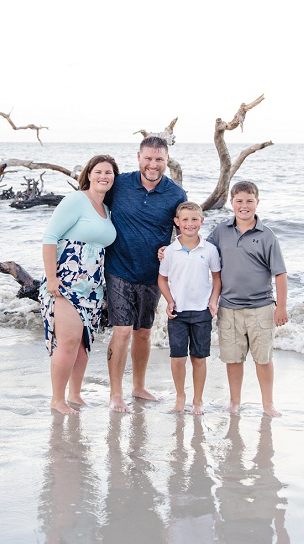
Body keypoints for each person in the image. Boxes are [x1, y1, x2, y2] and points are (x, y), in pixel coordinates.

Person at [105, 136, 187, 412]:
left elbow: (182, 235)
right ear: (138, 157)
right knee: (123, 331)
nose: (153, 164)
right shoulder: (119, 184)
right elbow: (92, 204)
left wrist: (172, 249)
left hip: (152, 274)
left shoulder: (176, 194)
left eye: (159, 159)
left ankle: (138, 387)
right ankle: (115, 393)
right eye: (148, 158)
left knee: (143, 333)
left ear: (167, 161)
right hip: (118, 268)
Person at [40, 154, 119, 415]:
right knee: (69, 340)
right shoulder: (76, 200)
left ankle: (74, 395)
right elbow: (50, 237)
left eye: (109, 172)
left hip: (93, 286)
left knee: (83, 344)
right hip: (66, 280)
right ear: (88, 174)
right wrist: (52, 278)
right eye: (98, 171)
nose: (103, 176)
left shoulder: (107, 210)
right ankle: (57, 399)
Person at [208, 181, 288, 417]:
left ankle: (268, 404)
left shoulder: (267, 236)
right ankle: (234, 402)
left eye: (249, 201)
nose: (244, 206)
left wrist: (281, 307)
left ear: (257, 203)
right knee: (233, 359)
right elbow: (201, 254)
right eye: (239, 201)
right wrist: (170, 251)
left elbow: (280, 274)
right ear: (231, 203)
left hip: (261, 308)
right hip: (229, 308)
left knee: (263, 359)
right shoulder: (220, 232)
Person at [158, 202, 222, 415]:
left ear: (202, 221)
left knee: (199, 357)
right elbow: (162, 279)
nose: (190, 224)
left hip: (202, 311)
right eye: (185, 219)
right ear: (177, 222)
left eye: (194, 219)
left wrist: (213, 301)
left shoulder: (210, 250)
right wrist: (168, 300)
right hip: (178, 311)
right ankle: (180, 396)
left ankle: (198, 400)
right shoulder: (170, 251)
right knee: (178, 357)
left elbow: (217, 278)